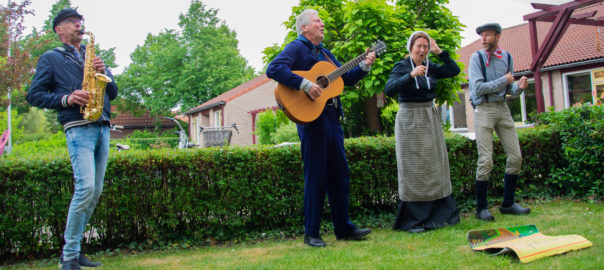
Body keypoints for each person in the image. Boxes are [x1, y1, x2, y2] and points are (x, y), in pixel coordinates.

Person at [266, 9, 376, 247]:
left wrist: (364, 65)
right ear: (304, 27)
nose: (322, 24)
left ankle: (343, 228)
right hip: (311, 120)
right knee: (316, 175)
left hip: (332, 118)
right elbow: (273, 69)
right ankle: (312, 233)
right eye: (317, 21)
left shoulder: (326, 53)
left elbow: (344, 79)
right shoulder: (296, 48)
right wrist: (305, 84)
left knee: (340, 174)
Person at [26, 9, 118, 270]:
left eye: (80, 22)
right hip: (78, 126)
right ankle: (68, 257)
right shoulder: (50, 58)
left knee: (95, 192)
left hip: (101, 126)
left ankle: (76, 252)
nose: (79, 25)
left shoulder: (94, 57)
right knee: (85, 188)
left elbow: (114, 92)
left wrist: (106, 73)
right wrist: (66, 98)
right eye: (71, 22)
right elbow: (34, 95)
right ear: (59, 29)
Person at [384, 31, 461, 233]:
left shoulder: (430, 67)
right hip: (409, 118)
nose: (422, 50)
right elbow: (389, 89)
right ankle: (413, 220)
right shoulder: (401, 66)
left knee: (434, 164)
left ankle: (440, 216)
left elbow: (454, 70)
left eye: (425, 47)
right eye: (418, 46)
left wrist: (439, 52)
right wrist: (410, 75)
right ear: (410, 47)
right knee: (413, 167)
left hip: (429, 116)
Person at [468, 23, 530, 222]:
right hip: (484, 108)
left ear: (497, 36)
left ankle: (508, 204)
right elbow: (477, 88)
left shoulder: (507, 57)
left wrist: (518, 87)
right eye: (481, 35)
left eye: (486, 35)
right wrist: (505, 81)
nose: (483, 39)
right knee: (486, 159)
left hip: (503, 109)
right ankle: (481, 209)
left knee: (516, 157)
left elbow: (509, 88)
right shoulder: (476, 58)